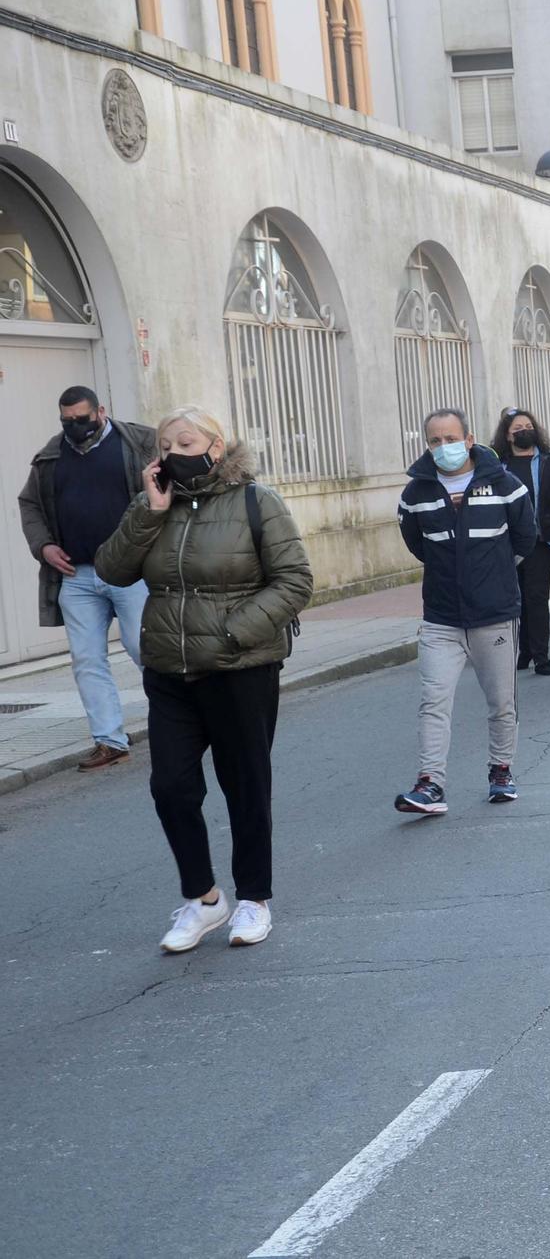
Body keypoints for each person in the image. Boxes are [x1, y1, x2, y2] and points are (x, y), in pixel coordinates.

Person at [93, 405, 313, 951]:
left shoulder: (258, 502)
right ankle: (203, 899)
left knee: (245, 786)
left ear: (217, 447)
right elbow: (111, 570)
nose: (173, 453)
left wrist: (233, 633)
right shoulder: (152, 508)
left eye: (185, 442)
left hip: (240, 669)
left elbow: (295, 581)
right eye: (165, 445)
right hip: (170, 670)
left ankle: (253, 900)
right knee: (170, 785)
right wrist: (150, 509)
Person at [393, 408, 536, 816]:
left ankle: (501, 771)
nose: (444, 448)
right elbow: (417, 544)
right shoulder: (415, 494)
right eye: (435, 441)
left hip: (495, 614)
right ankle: (430, 783)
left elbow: (526, 537)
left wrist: (493, 576)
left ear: (469, 439)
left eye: (451, 439)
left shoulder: (504, 485)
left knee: (501, 702)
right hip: (441, 618)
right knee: (433, 700)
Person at [16, 387, 157, 771]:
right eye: (67, 421)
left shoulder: (140, 444)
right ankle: (110, 740)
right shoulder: (50, 455)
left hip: (130, 570)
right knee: (86, 659)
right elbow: (29, 503)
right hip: (76, 575)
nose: (75, 427)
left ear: (101, 411)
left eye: (82, 419)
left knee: (145, 648)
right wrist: (43, 545)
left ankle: (182, 722)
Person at [493, 408, 550, 676]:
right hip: (505, 544)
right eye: (517, 428)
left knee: (536, 597)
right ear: (508, 436)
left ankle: (541, 656)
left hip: (540, 541)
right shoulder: (497, 466)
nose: (524, 431)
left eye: (528, 426)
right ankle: (521, 651)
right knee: (515, 599)